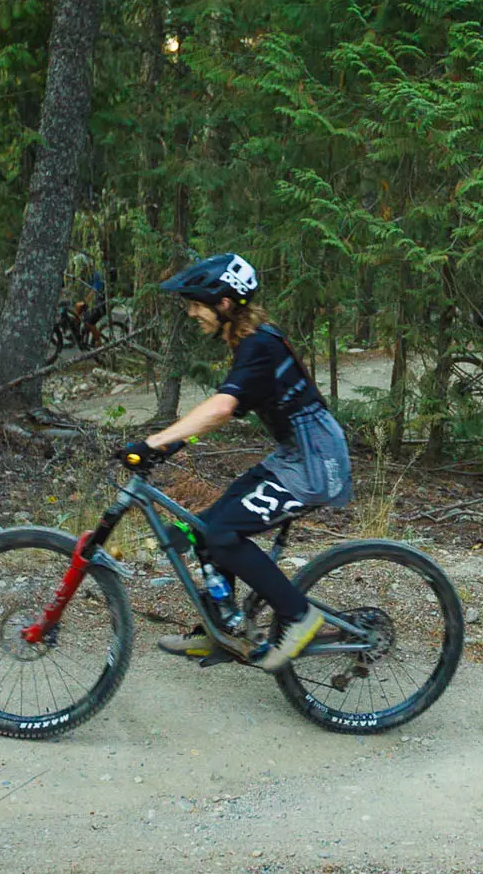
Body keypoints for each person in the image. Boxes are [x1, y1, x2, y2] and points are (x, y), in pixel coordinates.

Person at [118, 253, 351, 672]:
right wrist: (170, 446)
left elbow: (222, 407)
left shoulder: (259, 344)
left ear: (224, 303)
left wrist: (155, 442)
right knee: (202, 528)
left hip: (316, 464)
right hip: (295, 456)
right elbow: (219, 412)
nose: (192, 313)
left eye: (196, 305)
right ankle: (221, 630)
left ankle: (300, 616)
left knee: (223, 534)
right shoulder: (250, 341)